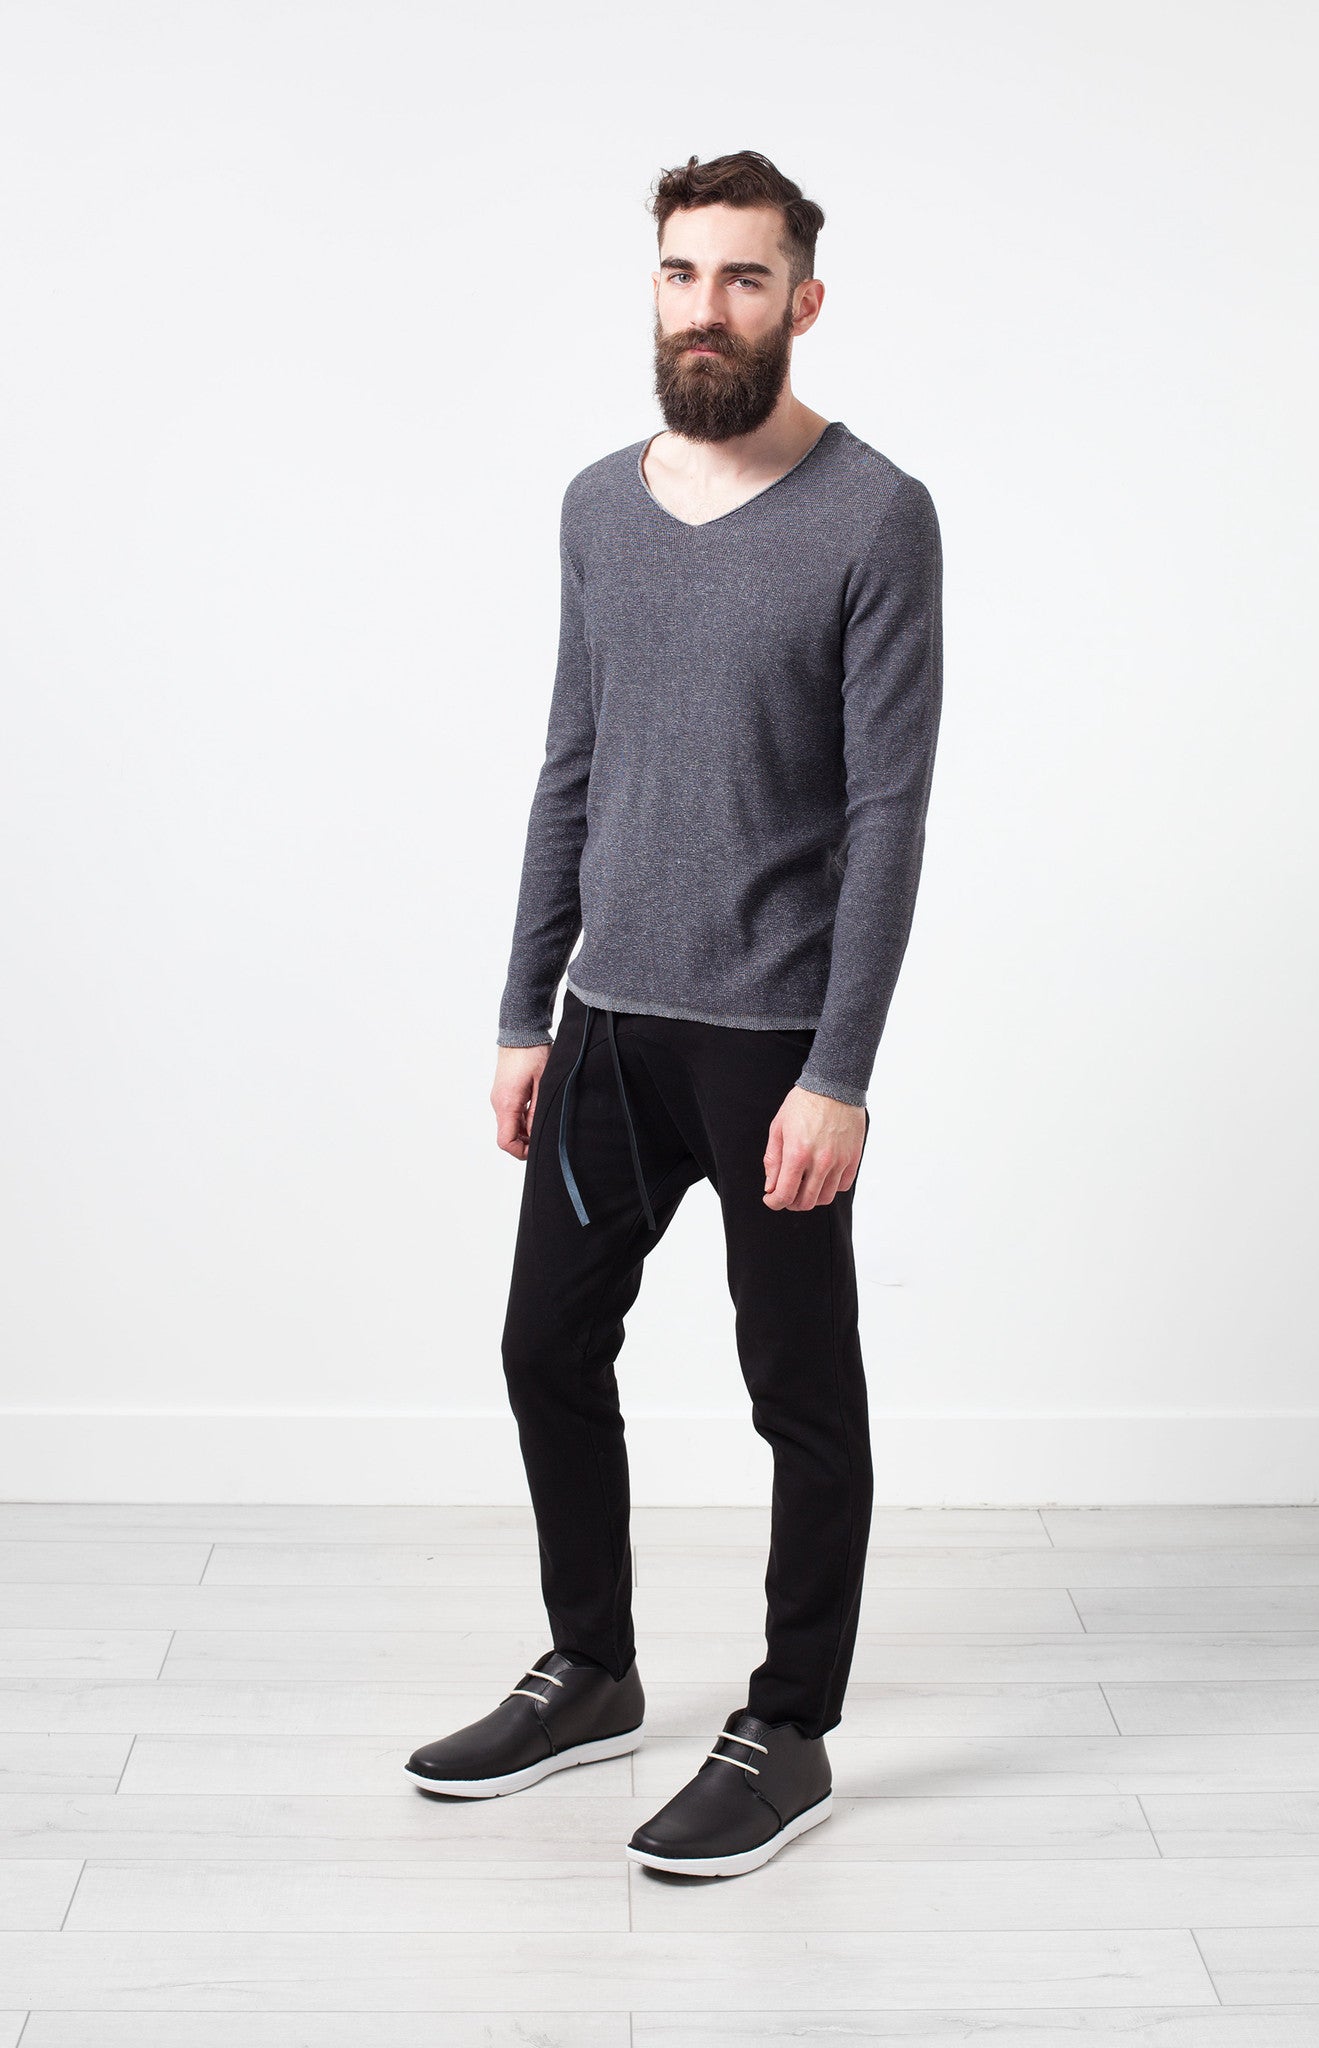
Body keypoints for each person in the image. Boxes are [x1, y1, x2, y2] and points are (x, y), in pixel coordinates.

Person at [405, 149, 944, 1879]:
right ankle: (593, 1670)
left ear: (802, 301)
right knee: (543, 1348)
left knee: (800, 1392)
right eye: (677, 273)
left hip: (771, 1043)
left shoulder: (874, 515)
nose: (704, 307)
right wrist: (523, 1009)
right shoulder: (595, 505)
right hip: (605, 1030)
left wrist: (841, 1071)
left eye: (740, 277)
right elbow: (569, 760)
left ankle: (788, 1727)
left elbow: (888, 813)